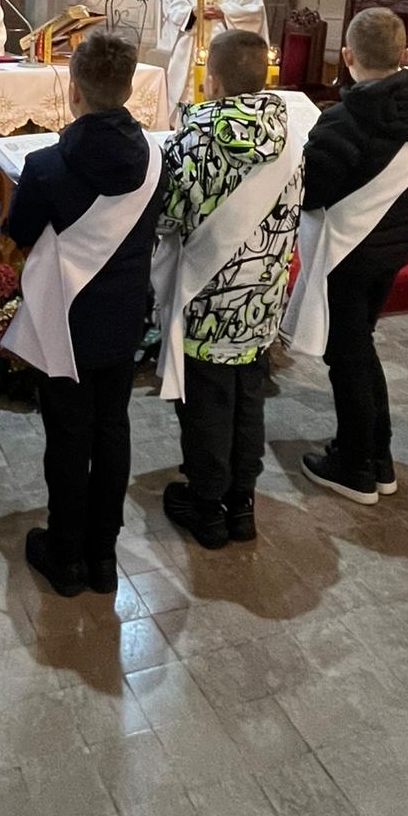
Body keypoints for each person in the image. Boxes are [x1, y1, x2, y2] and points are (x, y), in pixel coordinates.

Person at [4, 31, 167, 597]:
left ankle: (65, 552)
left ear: (73, 90)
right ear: (129, 89)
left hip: (65, 319)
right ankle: (103, 554)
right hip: (123, 317)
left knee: (69, 436)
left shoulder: (46, 165)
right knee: (113, 427)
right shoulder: (155, 159)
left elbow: (20, 231)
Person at [155, 29, 316, 548]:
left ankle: (207, 509)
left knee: (205, 409)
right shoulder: (293, 138)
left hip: (207, 303)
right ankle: (241, 504)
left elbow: (168, 218)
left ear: (213, 82)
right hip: (262, 301)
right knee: (249, 401)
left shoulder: (193, 141)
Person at [290, 9, 408, 505]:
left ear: (347, 56)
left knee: (347, 357)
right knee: (360, 348)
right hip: (391, 249)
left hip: (347, 252)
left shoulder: (344, 120)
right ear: (406, 55)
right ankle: (378, 457)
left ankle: (354, 466)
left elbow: (311, 193)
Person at [162, 0, 268, 109]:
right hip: (192, 50)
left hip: (227, 52)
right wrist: (193, 12)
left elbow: (255, 13)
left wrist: (224, 12)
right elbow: (174, 10)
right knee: (189, 96)